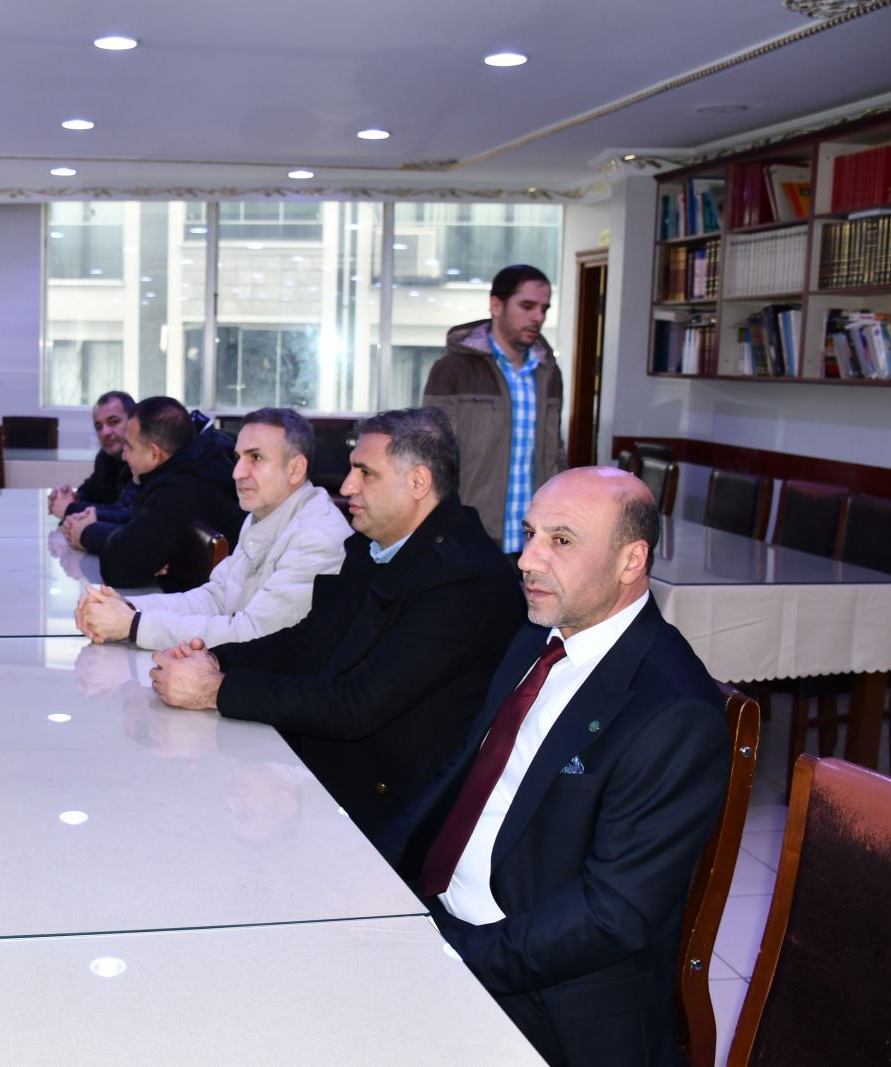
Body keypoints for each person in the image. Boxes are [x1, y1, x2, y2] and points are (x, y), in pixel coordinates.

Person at [383, 467, 729, 1067]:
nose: (526, 560)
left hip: (545, 995)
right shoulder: (539, 634)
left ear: (631, 560)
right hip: (445, 920)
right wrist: (372, 873)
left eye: (561, 540)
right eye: (529, 533)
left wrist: (452, 957)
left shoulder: (674, 712)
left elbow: (610, 914)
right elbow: (462, 774)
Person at [147, 408, 523, 837]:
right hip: (332, 762)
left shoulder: (463, 579)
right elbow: (310, 641)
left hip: (390, 809)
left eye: (365, 473)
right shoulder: (377, 544)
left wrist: (215, 690)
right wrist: (216, 660)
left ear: (418, 482)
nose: (346, 487)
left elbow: (357, 704)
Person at [75, 406, 349, 650]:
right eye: (238, 457)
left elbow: (254, 634)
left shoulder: (316, 537)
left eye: (255, 458)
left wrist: (134, 625)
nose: (237, 472)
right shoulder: (265, 513)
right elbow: (217, 598)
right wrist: (128, 607)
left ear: (296, 469)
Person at [423, 264, 567, 555]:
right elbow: (429, 456)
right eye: (527, 306)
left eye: (544, 309)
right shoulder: (451, 370)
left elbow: (555, 455)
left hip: (536, 542)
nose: (538, 317)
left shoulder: (549, 373)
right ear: (496, 305)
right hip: (470, 540)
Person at [61, 395, 244, 590]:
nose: (124, 455)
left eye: (129, 447)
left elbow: (119, 566)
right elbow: (136, 527)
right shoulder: (193, 464)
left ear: (154, 454)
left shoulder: (178, 488)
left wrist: (85, 533)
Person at [49, 391, 137, 523]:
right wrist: (72, 497)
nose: (105, 432)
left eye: (113, 422)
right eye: (99, 426)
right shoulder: (105, 457)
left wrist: (70, 508)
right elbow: (91, 490)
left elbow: (123, 513)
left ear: (133, 421)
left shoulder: (143, 461)